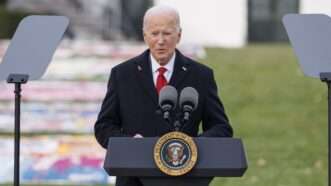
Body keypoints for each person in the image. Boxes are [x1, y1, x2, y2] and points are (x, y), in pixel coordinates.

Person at [94, 5, 233, 186]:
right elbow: (104, 126)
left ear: (179, 35)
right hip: (133, 179)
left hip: (185, 178)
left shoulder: (201, 76)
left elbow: (221, 127)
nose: (160, 41)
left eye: (167, 33)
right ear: (145, 36)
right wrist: (129, 144)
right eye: (154, 33)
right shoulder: (122, 74)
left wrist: (191, 146)